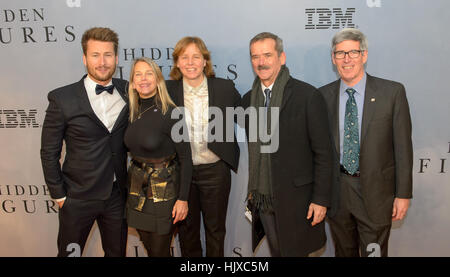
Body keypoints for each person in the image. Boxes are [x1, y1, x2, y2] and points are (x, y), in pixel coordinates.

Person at [319, 28, 413, 257]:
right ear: (333, 58)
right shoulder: (322, 96)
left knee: (374, 253)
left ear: (364, 55)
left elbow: (403, 148)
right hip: (338, 193)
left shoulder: (392, 93)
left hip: (377, 195)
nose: (347, 59)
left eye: (353, 52)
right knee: (344, 252)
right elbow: (319, 151)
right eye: (340, 53)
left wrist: (403, 194)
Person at [241, 32, 334, 257]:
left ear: (281, 57)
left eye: (267, 55)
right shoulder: (247, 101)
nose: (261, 62)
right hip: (263, 200)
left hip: (298, 201)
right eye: (255, 56)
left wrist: (320, 199)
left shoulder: (307, 96)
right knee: (277, 253)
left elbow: (324, 154)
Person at [40, 27, 128, 257]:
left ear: (117, 58)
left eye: (108, 55)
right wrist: (60, 195)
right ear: (84, 58)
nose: (102, 62)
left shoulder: (129, 90)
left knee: (117, 253)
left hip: (116, 196)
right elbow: (49, 151)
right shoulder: (62, 98)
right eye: (95, 55)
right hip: (77, 197)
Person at [166, 36, 241, 257]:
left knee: (215, 230)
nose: (190, 62)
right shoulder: (167, 90)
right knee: (186, 231)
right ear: (177, 63)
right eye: (184, 57)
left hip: (215, 170)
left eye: (196, 57)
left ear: (205, 61)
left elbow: (248, 114)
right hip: (182, 173)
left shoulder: (224, 87)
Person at [124, 57, 192, 257]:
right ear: (133, 82)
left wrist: (183, 199)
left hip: (165, 190)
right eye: (138, 74)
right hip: (137, 189)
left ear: (158, 79)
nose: (143, 79)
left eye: (149, 73)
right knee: (150, 247)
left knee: (159, 250)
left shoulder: (172, 113)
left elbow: (186, 158)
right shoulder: (130, 111)